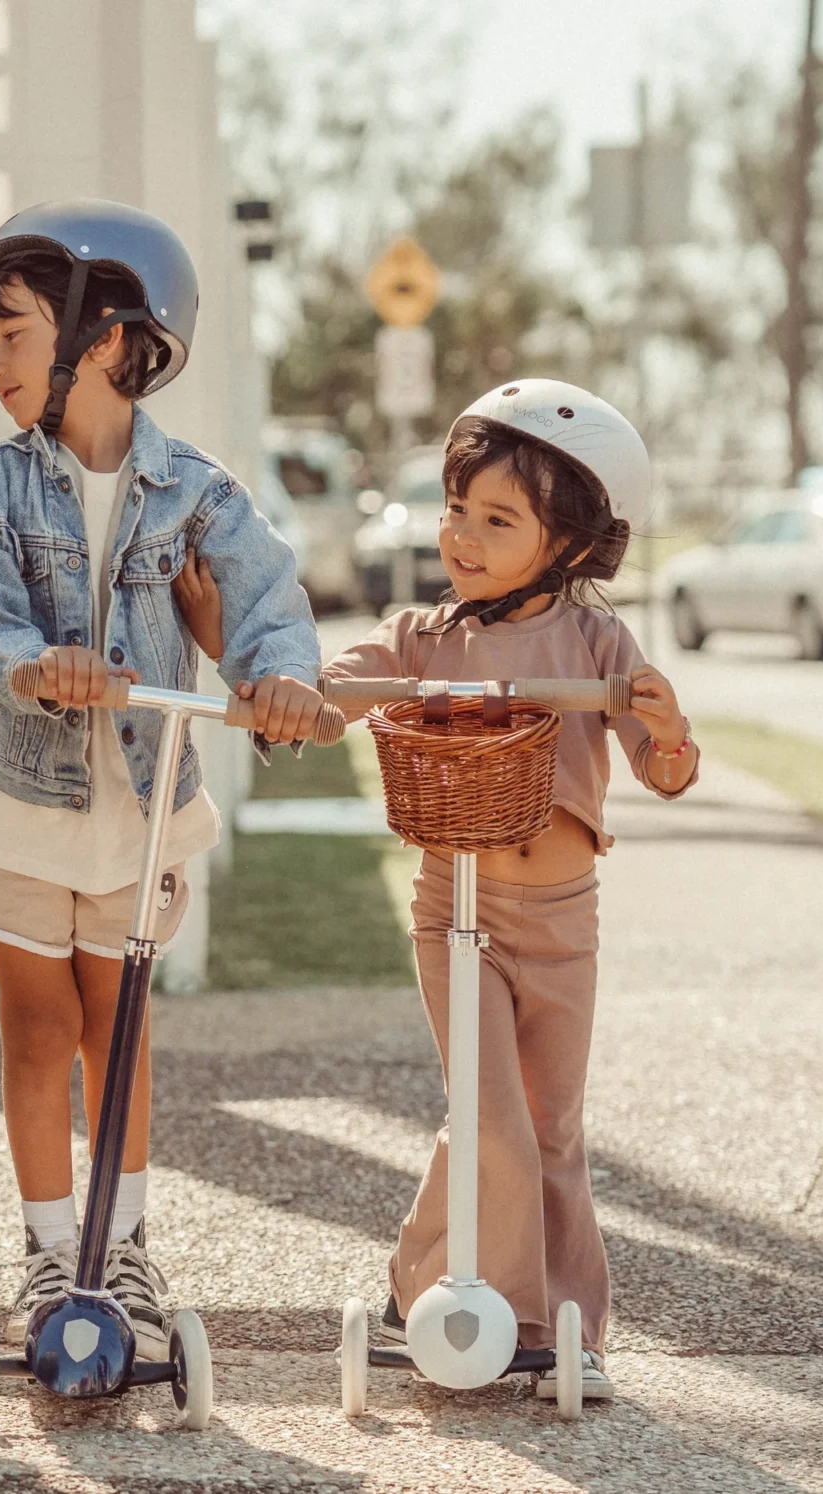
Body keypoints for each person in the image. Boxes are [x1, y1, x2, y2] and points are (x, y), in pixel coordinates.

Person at [0, 201, 325, 1356]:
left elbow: (265, 606)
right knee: (34, 1024)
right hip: (15, 803)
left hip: (140, 811)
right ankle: (52, 1249)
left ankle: (125, 1248)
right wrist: (35, 666)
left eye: (10, 335)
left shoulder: (201, 493)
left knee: (122, 1027)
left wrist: (280, 679)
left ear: (102, 341)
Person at [298, 379, 695, 1400]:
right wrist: (310, 700)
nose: (462, 537)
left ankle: (562, 1325)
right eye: (455, 510)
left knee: (549, 1126)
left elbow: (664, 769)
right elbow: (345, 682)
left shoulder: (597, 645)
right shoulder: (424, 635)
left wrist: (669, 727)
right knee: (488, 1115)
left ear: (568, 544)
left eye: (497, 520)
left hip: (561, 922)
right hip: (453, 909)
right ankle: (488, 1313)